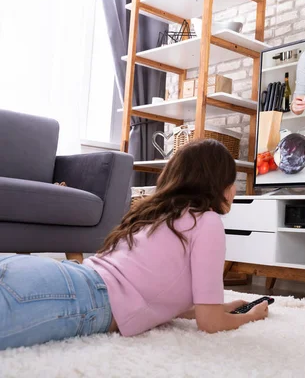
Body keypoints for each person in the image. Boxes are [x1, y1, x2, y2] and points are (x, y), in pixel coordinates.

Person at [0, 140, 268, 351]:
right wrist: (251, 317)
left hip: (60, 276)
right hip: (81, 298)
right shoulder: (208, 222)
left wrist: (222, 306)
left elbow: (162, 300)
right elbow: (210, 324)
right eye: (232, 181)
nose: (234, 189)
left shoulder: (156, 214)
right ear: (218, 185)